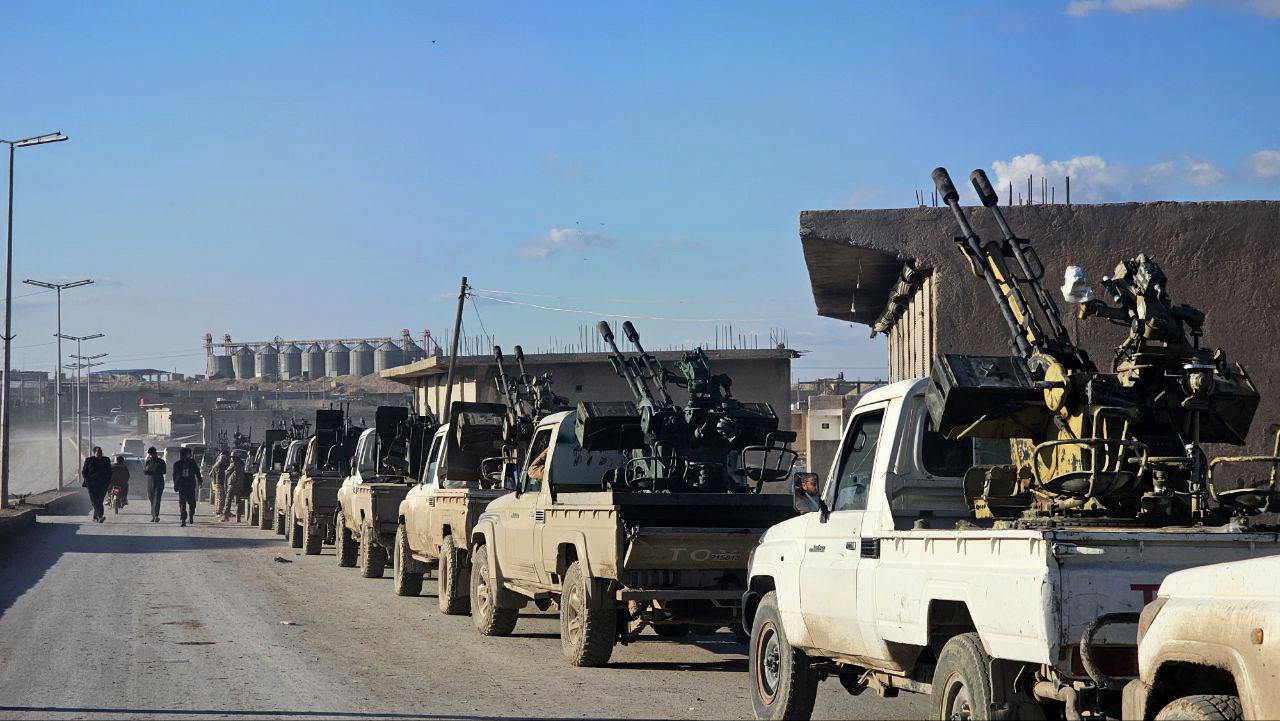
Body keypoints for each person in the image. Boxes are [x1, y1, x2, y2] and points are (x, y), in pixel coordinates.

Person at [172, 448, 203, 527]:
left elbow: (197, 472)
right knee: (182, 504)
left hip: (190, 486)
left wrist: (200, 481)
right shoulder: (177, 464)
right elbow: (174, 476)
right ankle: (183, 519)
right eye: (188, 454)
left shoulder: (192, 462)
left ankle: (191, 515)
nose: (190, 455)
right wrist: (176, 485)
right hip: (182, 486)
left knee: (192, 503)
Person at [81, 446, 113, 523]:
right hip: (91, 484)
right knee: (94, 501)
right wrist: (87, 480)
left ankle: (96, 517)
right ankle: (100, 516)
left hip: (103, 484)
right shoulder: (89, 460)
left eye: (100, 452)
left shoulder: (106, 460)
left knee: (99, 501)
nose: (99, 453)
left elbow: (109, 471)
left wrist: (108, 481)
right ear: (94, 452)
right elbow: (84, 471)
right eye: (97, 452)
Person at [143, 447, 168, 522]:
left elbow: (164, 471)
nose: (151, 455)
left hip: (159, 483)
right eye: (150, 454)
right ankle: (153, 515)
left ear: (155, 453)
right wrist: (149, 470)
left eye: (152, 453)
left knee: (157, 500)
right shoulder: (148, 462)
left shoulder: (161, 462)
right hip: (150, 483)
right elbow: (145, 472)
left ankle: (156, 515)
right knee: (151, 499)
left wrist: (153, 470)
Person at [220, 453, 245, 521]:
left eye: (231, 457)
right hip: (239, 485)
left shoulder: (234, 464)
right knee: (238, 501)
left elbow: (227, 472)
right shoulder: (241, 465)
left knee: (228, 499)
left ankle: (225, 516)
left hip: (233, 484)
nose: (231, 459)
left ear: (234, 458)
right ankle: (238, 517)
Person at [209, 450, 230, 517]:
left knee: (218, 498)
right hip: (220, 483)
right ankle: (219, 511)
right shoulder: (220, 465)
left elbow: (211, 474)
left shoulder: (216, 465)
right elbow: (221, 475)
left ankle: (217, 510)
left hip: (216, 483)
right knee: (221, 498)